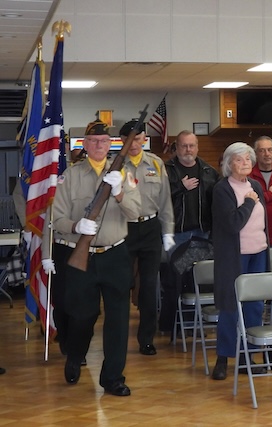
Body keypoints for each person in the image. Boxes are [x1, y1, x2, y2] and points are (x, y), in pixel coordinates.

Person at [51, 120, 141, 396]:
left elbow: (136, 212)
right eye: (94, 141)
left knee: (118, 319)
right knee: (82, 315)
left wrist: (119, 192)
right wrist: (76, 226)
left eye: (104, 141)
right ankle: (75, 353)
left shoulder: (124, 174)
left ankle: (113, 378)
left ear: (111, 144)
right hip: (83, 257)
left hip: (114, 253)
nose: (99, 145)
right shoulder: (71, 176)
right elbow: (57, 218)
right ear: (86, 145)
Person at [210, 142, 270, 380]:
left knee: (254, 307)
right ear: (228, 164)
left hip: (259, 253)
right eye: (239, 159)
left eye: (247, 159)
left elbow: (263, 222)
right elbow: (233, 223)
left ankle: (248, 357)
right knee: (230, 308)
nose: (245, 163)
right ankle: (223, 357)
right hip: (234, 257)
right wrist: (248, 202)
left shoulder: (255, 185)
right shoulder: (222, 189)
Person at [118, 119, 175, 356]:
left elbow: (165, 201)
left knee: (149, 286)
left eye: (138, 138)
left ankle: (146, 339)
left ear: (144, 139)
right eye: (129, 139)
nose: (134, 144)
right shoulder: (115, 166)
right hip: (123, 229)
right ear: (122, 141)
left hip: (150, 228)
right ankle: (118, 335)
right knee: (120, 285)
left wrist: (168, 231)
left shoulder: (156, 163)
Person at [165, 130, 219, 248]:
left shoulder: (209, 172)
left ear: (197, 147)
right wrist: (180, 187)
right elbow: (159, 199)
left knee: (201, 267)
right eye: (184, 146)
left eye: (191, 146)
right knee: (177, 266)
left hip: (203, 232)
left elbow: (216, 204)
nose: (188, 149)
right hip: (176, 233)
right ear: (177, 147)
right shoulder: (165, 171)